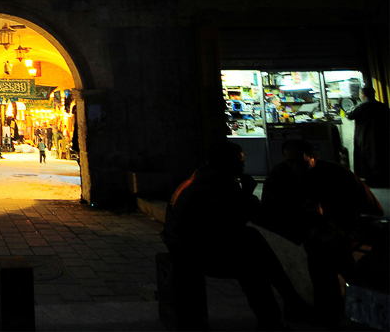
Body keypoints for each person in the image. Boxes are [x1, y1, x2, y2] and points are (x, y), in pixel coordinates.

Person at [163, 140, 311, 330]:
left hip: (187, 244)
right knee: (252, 265)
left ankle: (288, 304)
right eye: (239, 161)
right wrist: (247, 193)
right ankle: (280, 313)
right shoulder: (215, 183)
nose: (243, 165)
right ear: (225, 162)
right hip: (191, 251)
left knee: (251, 241)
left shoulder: (203, 178)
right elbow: (240, 217)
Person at [261, 139, 384, 324]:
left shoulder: (336, 174)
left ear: (314, 157)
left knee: (329, 254)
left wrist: (331, 216)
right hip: (301, 235)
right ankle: (333, 311)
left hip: (337, 231)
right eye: (290, 161)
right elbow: (269, 213)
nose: (295, 167)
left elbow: (371, 210)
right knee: (322, 254)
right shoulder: (280, 176)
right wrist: (299, 215)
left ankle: (337, 310)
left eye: (300, 161)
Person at [346, 85, 390, 188]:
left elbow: (350, 116)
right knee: (380, 157)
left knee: (366, 159)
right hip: (382, 137)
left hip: (364, 138)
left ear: (363, 95)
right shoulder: (383, 106)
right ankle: (383, 178)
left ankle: (371, 180)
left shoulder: (361, 107)